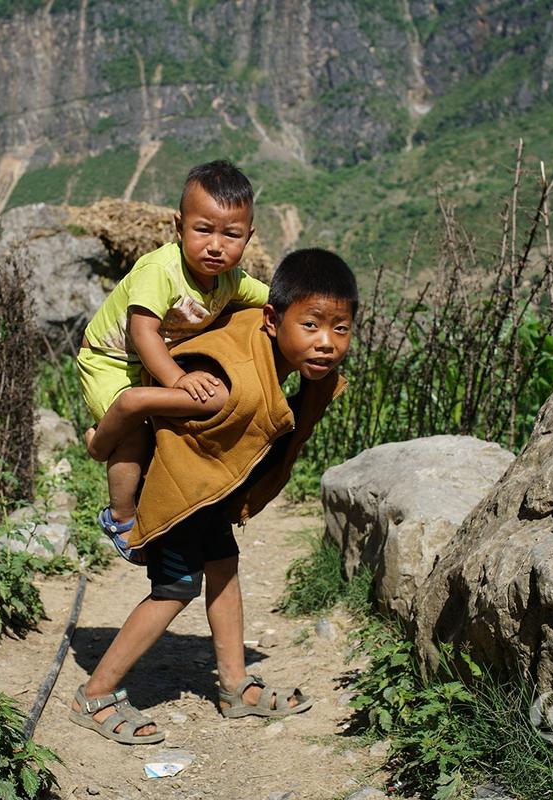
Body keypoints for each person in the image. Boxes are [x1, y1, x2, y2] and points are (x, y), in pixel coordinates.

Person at [71, 248, 358, 744]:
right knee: (176, 588)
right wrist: (101, 446)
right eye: (311, 325)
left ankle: (234, 685)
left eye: (341, 329)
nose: (326, 343)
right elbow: (135, 400)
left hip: (205, 485)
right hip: (175, 484)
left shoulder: (278, 353)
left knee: (223, 564)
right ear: (273, 319)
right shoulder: (225, 385)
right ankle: (96, 693)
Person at [77, 160, 269, 562]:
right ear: (178, 228)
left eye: (231, 235)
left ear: (248, 238)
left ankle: (105, 443)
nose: (216, 245)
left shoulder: (230, 280)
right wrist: (176, 378)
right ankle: (120, 516)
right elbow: (142, 332)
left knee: (163, 429)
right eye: (203, 230)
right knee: (135, 432)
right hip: (110, 360)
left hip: (152, 365)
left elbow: (271, 300)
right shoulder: (160, 271)